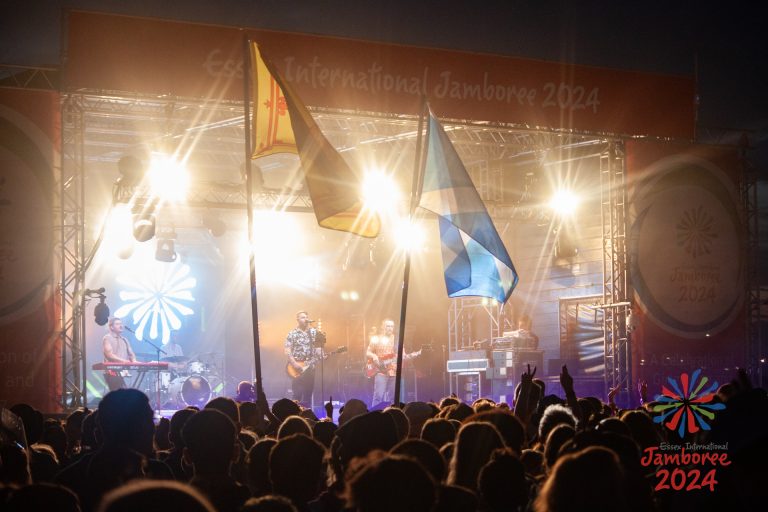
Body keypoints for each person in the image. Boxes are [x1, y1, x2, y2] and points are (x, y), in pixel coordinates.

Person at [366, 319, 420, 408]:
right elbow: (368, 352)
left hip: (394, 373)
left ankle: (393, 416)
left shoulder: (397, 340)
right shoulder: (376, 338)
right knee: (378, 397)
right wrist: (374, 356)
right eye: (388, 326)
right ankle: (374, 416)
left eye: (391, 326)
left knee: (394, 398)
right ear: (383, 327)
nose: (390, 328)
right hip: (380, 372)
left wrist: (417, 353)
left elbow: (403, 356)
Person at [284, 311, 322, 407]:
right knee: (297, 393)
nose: (305, 319)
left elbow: (318, 349)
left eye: (306, 317)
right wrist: (294, 364)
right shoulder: (292, 333)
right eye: (302, 317)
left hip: (310, 367)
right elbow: (287, 350)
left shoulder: (314, 332)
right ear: (297, 320)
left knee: (308, 394)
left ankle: (307, 416)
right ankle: (294, 416)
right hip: (297, 367)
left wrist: (321, 354)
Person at [102, 317, 137, 391]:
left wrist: (134, 361)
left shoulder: (124, 340)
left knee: (125, 394)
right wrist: (124, 361)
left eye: (121, 324)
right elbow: (109, 355)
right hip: (112, 371)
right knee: (118, 394)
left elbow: (131, 354)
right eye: (117, 324)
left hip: (123, 371)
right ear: (111, 327)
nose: (121, 326)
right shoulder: (107, 338)